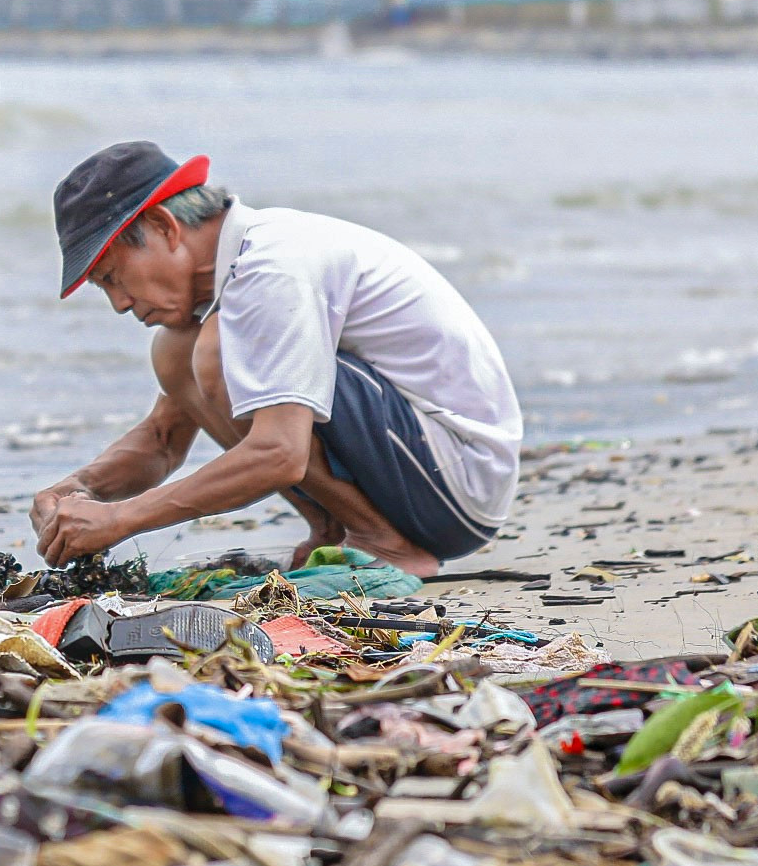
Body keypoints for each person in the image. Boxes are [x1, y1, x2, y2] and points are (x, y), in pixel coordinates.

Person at [31, 141, 521, 577]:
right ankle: (335, 527)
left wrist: (122, 521)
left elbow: (279, 454)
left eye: (113, 276)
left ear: (164, 226)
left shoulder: (270, 268)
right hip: (425, 472)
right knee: (179, 350)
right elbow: (163, 439)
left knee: (215, 349)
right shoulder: (241, 275)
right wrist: (82, 489)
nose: (118, 303)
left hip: (460, 480)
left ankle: (382, 541)